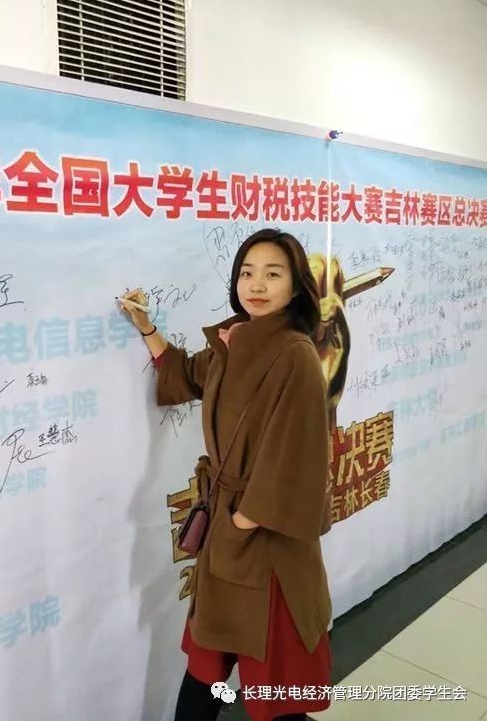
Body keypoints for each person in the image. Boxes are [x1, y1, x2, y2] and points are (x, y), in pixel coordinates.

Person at [121, 229, 332, 721]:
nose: (256, 285)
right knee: (206, 669)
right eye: (247, 273)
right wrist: (147, 327)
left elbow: (297, 461)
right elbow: (186, 374)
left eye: (273, 274)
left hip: (269, 547)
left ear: (296, 286)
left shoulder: (296, 355)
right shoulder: (232, 340)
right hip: (228, 533)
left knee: (275, 689)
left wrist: (242, 523)